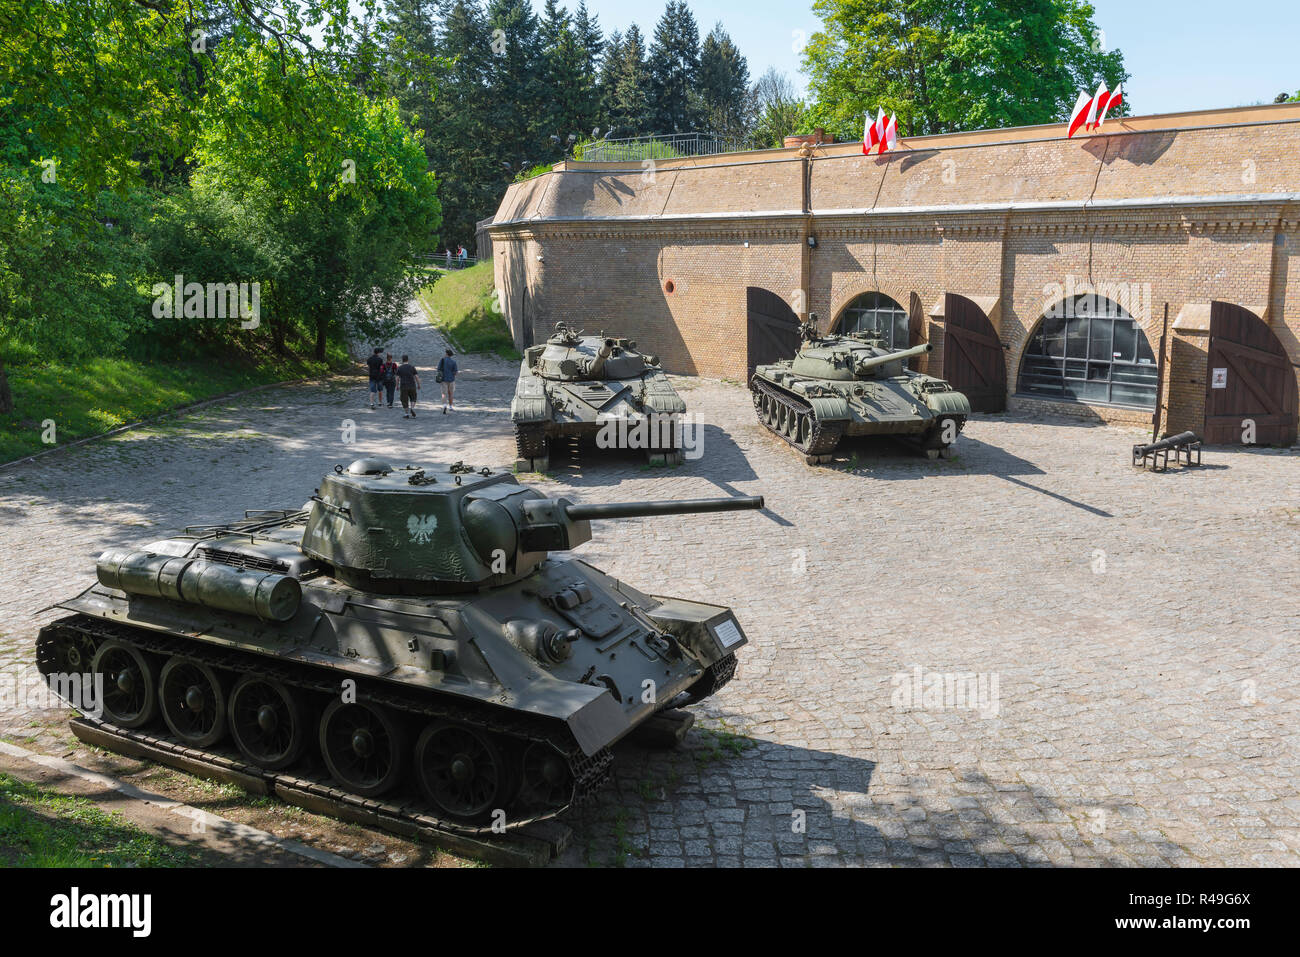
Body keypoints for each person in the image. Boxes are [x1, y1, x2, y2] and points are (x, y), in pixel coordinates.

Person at [436, 348, 458, 413]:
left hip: (443, 379)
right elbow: (456, 372)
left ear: (446, 354)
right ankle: (451, 407)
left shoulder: (442, 360)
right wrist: (452, 375)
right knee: (451, 394)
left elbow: (438, 369)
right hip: (451, 380)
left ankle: (445, 406)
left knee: (444, 394)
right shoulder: (454, 362)